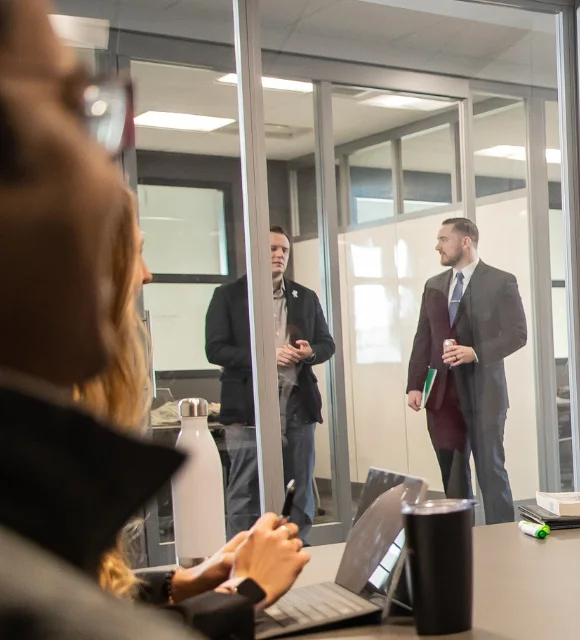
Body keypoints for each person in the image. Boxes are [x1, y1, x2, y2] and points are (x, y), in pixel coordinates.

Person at [0, 0, 308, 635]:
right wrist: (243, 593)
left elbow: (75, 585)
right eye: (78, 106)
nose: (144, 276)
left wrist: (177, 583)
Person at [204, 225, 336, 539]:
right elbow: (215, 349)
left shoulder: (304, 296)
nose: (279, 256)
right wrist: (265, 357)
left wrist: (308, 352)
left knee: (299, 489)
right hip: (248, 407)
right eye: (272, 249)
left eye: (284, 251)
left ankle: (294, 552)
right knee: (245, 489)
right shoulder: (228, 296)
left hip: (296, 406)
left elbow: (326, 344)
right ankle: (241, 557)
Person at [407, 217, 527, 525]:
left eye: (443, 239)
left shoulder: (501, 281)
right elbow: (424, 337)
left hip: (484, 393)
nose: (438, 245)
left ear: (465, 241)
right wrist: (415, 384)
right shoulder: (433, 285)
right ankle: (462, 541)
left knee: (491, 471)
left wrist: (475, 352)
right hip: (443, 398)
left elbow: (517, 333)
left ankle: (503, 539)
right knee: (453, 478)